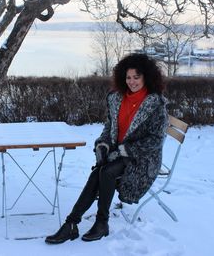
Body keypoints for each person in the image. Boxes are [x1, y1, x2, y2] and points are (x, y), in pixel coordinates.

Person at [45, 53, 168, 244]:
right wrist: (102, 145)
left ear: (146, 77)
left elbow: (156, 141)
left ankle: (99, 222)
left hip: (142, 159)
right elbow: (109, 128)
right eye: (128, 77)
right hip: (117, 153)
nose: (132, 82)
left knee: (106, 172)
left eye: (137, 77)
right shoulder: (116, 98)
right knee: (99, 172)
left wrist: (124, 151)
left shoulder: (155, 104)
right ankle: (73, 223)